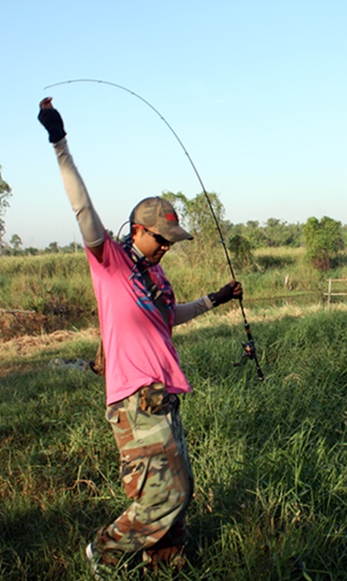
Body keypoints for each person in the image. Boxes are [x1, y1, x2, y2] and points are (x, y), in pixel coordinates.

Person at [38, 97, 241, 574]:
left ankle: (165, 561)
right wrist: (59, 142)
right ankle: (104, 552)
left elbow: (168, 319)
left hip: (162, 394)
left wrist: (215, 299)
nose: (168, 247)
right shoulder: (110, 260)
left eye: (172, 241)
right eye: (161, 238)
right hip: (133, 398)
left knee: (178, 486)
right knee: (161, 494)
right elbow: (82, 207)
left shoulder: (156, 276)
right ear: (137, 230)